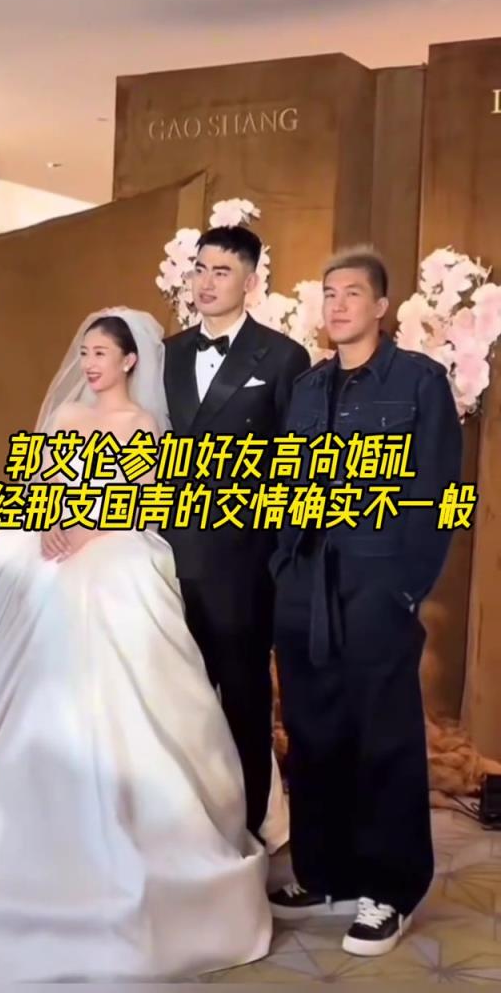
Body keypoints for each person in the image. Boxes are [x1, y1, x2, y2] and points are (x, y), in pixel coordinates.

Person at [0, 308, 272, 983]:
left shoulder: (143, 427)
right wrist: (52, 522)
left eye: (101, 354)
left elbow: (142, 503)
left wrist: (87, 529)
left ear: (129, 361)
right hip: (48, 540)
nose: (89, 365)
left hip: (114, 545)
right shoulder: (66, 418)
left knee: (116, 629)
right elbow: (37, 485)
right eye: (84, 353)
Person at [268, 247, 463, 956]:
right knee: (315, 731)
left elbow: (443, 493)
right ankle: (327, 873)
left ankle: (391, 889)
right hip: (306, 582)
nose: (338, 304)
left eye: (352, 293)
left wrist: (406, 586)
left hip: (377, 582)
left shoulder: (418, 381)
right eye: (329, 293)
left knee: (384, 736)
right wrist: (283, 563)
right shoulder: (307, 388)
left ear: (382, 306)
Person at [163, 226, 310, 845]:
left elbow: (296, 464)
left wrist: (278, 560)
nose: (205, 281)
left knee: (244, 704)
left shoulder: (282, 358)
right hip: (167, 557)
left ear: (250, 281)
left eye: (221, 271)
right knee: (175, 701)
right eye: (200, 268)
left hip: (243, 564)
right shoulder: (167, 353)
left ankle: (248, 839)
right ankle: (184, 839)